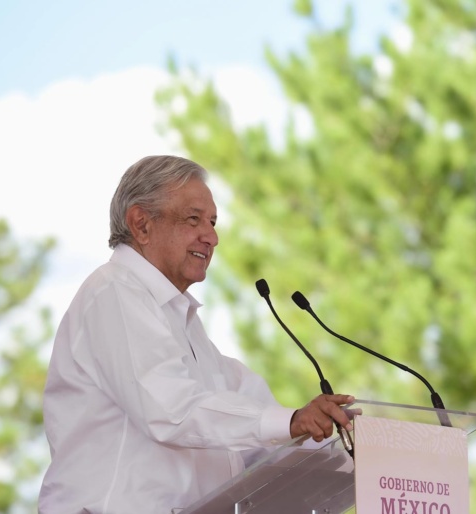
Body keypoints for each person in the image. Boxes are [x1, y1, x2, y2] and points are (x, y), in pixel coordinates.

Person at [38, 155, 354, 514]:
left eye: (213, 222)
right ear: (141, 225)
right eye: (193, 219)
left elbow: (258, 425)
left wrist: (351, 442)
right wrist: (293, 420)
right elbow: (172, 410)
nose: (213, 237)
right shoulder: (112, 292)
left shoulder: (185, 326)